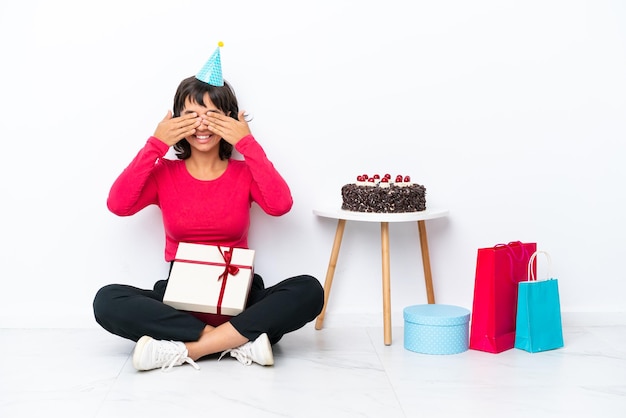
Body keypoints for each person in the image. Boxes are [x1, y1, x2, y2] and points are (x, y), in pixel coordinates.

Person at [93, 74, 324, 372]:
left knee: (309, 290)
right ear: (176, 121)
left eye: (212, 115)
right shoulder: (164, 173)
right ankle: (238, 342)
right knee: (107, 300)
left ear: (230, 120)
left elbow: (281, 205)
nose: (202, 125)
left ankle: (189, 349)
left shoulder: (244, 172)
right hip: (180, 301)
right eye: (191, 116)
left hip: (241, 299)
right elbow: (118, 204)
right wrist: (156, 143)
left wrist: (247, 142)